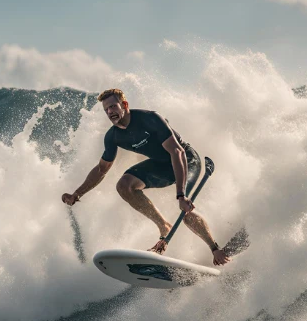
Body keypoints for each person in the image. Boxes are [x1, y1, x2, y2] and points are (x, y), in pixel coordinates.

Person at [62, 88, 230, 266]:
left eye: (113, 106)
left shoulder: (149, 118)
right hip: (161, 165)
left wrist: (181, 195)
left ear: (124, 105)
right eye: (106, 110)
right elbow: (102, 169)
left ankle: (214, 248)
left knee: (185, 210)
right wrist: (77, 194)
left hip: (186, 160)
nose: (110, 112)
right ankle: (164, 227)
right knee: (124, 185)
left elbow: (176, 151)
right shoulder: (113, 137)